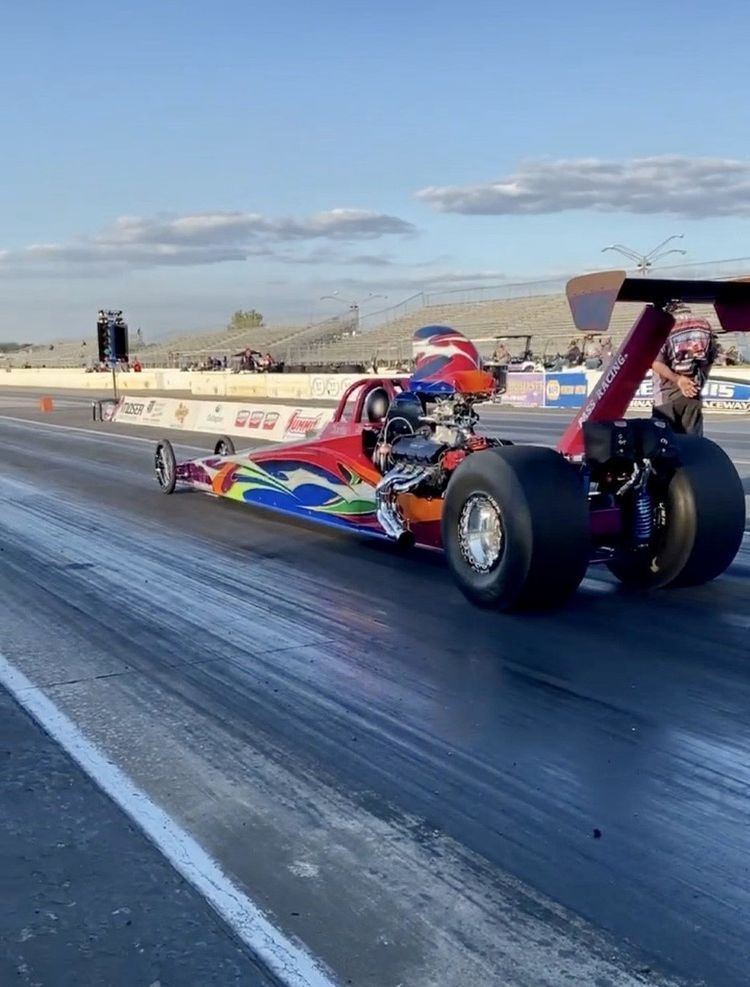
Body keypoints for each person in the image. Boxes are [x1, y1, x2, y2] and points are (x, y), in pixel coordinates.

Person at [651, 303, 717, 436]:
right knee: (692, 443)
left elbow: (655, 362)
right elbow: (710, 357)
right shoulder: (703, 324)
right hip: (692, 391)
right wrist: (698, 381)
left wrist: (679, 379)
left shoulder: (665, 326)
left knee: (665, 443)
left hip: (667, 393)